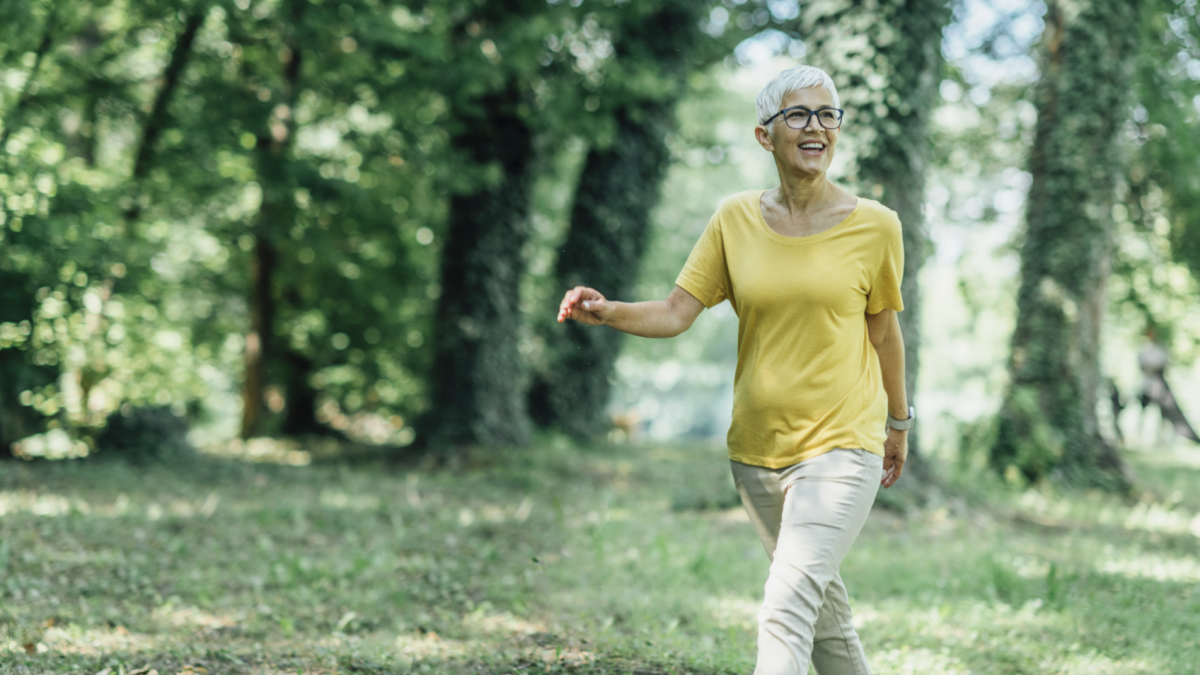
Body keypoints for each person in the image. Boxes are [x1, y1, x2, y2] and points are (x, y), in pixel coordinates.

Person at [557, 65, 911, 675]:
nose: (816, 127)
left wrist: (899, 423)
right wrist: (608, 311)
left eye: (828, 114)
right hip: (757, 452)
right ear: (764, 135)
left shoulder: (876, 225)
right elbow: (676, 312)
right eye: (798, 114)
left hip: (841, 445)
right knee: (822, 619)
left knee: (786, 606)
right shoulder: (734, 219)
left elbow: (884, 333)